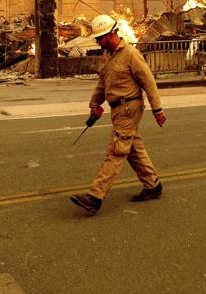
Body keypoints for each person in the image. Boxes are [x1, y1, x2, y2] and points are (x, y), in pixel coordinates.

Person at [71, 14, 167, 215]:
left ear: (110, 34)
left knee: (117, 150)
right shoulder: (108, 56)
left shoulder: (131, 55)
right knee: (132, 148)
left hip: (129, 109)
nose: (97, 42)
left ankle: (95, 196)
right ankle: (152, 185)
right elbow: (102, 83)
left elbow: (149, 83)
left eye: (99, 38)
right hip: (117, 109)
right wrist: (94, 104)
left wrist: (157, 109)